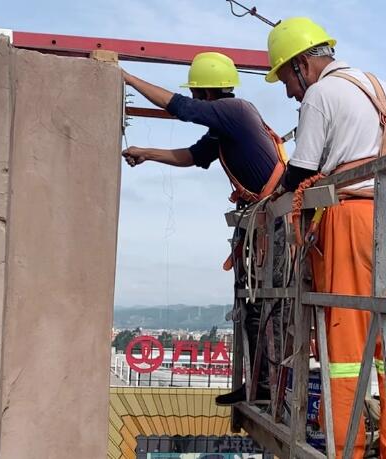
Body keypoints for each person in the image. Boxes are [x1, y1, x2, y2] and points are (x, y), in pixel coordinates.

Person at [265, 17, 386, 458]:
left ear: (301, 65)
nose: (289, 92)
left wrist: (271, 201)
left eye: (286, 80)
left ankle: (346, 450)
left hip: (354, 219)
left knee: (346, 351)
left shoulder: (319, 94)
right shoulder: (380, 87)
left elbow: (302, 170)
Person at [122, 51, 286, 405]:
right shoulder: (226, 125)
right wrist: (148, 153)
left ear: (204, 92)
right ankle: (260, 386)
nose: (195, 100)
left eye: (197, 94)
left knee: (268, 307)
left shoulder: (234, 111)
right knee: (254, 306)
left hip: (272, 222)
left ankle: (269, 389)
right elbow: (195, 156)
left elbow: (180, 108)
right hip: (262, 221)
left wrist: (130, 79)